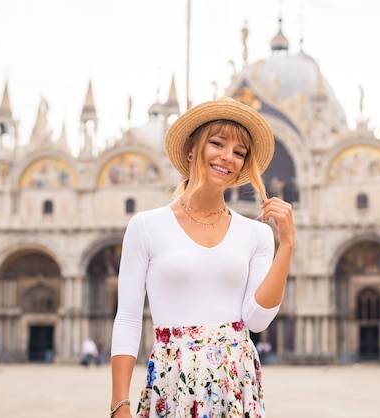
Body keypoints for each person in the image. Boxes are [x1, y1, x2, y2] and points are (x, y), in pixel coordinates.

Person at [109, 97, 295, 418]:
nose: (228, 157)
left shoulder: (257, 234)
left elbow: (256, 319)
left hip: (235, 384)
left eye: (239, 153)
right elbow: (127, 317)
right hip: (172, 380)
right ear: (193, 148)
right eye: (218, 143)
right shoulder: (146, 226)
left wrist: (287, 245)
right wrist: (119, 403)